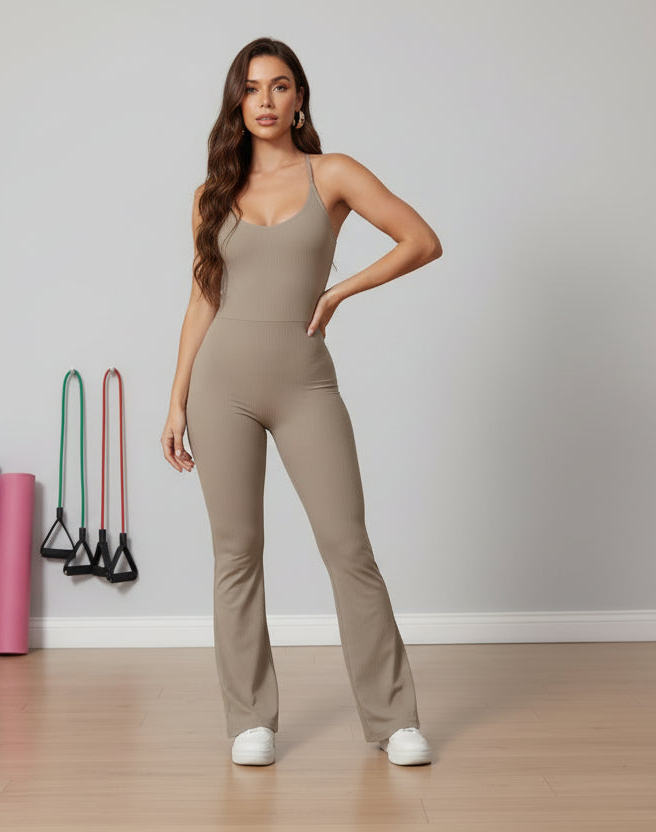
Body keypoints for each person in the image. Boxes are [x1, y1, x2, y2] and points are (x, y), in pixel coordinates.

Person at [161, 37, 443, 766]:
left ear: (299, 99)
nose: (265, 100)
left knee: (348, 547)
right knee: (236, 554)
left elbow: (421, 240)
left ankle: (394, 720)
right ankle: (250, 719)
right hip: (221, 385)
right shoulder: (211, 194)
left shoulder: (334, 173)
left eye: (280, 86)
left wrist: (342, 289)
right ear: (236, 101)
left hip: (304, 383)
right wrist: (176, 400)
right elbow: (202, 300)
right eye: (252, 88)